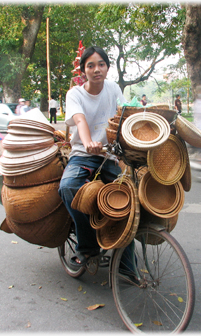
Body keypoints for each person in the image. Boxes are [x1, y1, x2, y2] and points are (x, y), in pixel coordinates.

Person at [58, 46, 128, 267]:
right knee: (68, 187)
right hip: (83, 155)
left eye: (101, 64)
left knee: (130, 197)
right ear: (83, 71)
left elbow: (125, 116)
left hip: (111, 157)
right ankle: (88, 247)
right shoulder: (75, 94)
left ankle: (127, 265)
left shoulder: (114, 88)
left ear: (107, 68)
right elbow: (80, 120)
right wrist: (89, 143)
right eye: (91, 65)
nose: (97, 69)